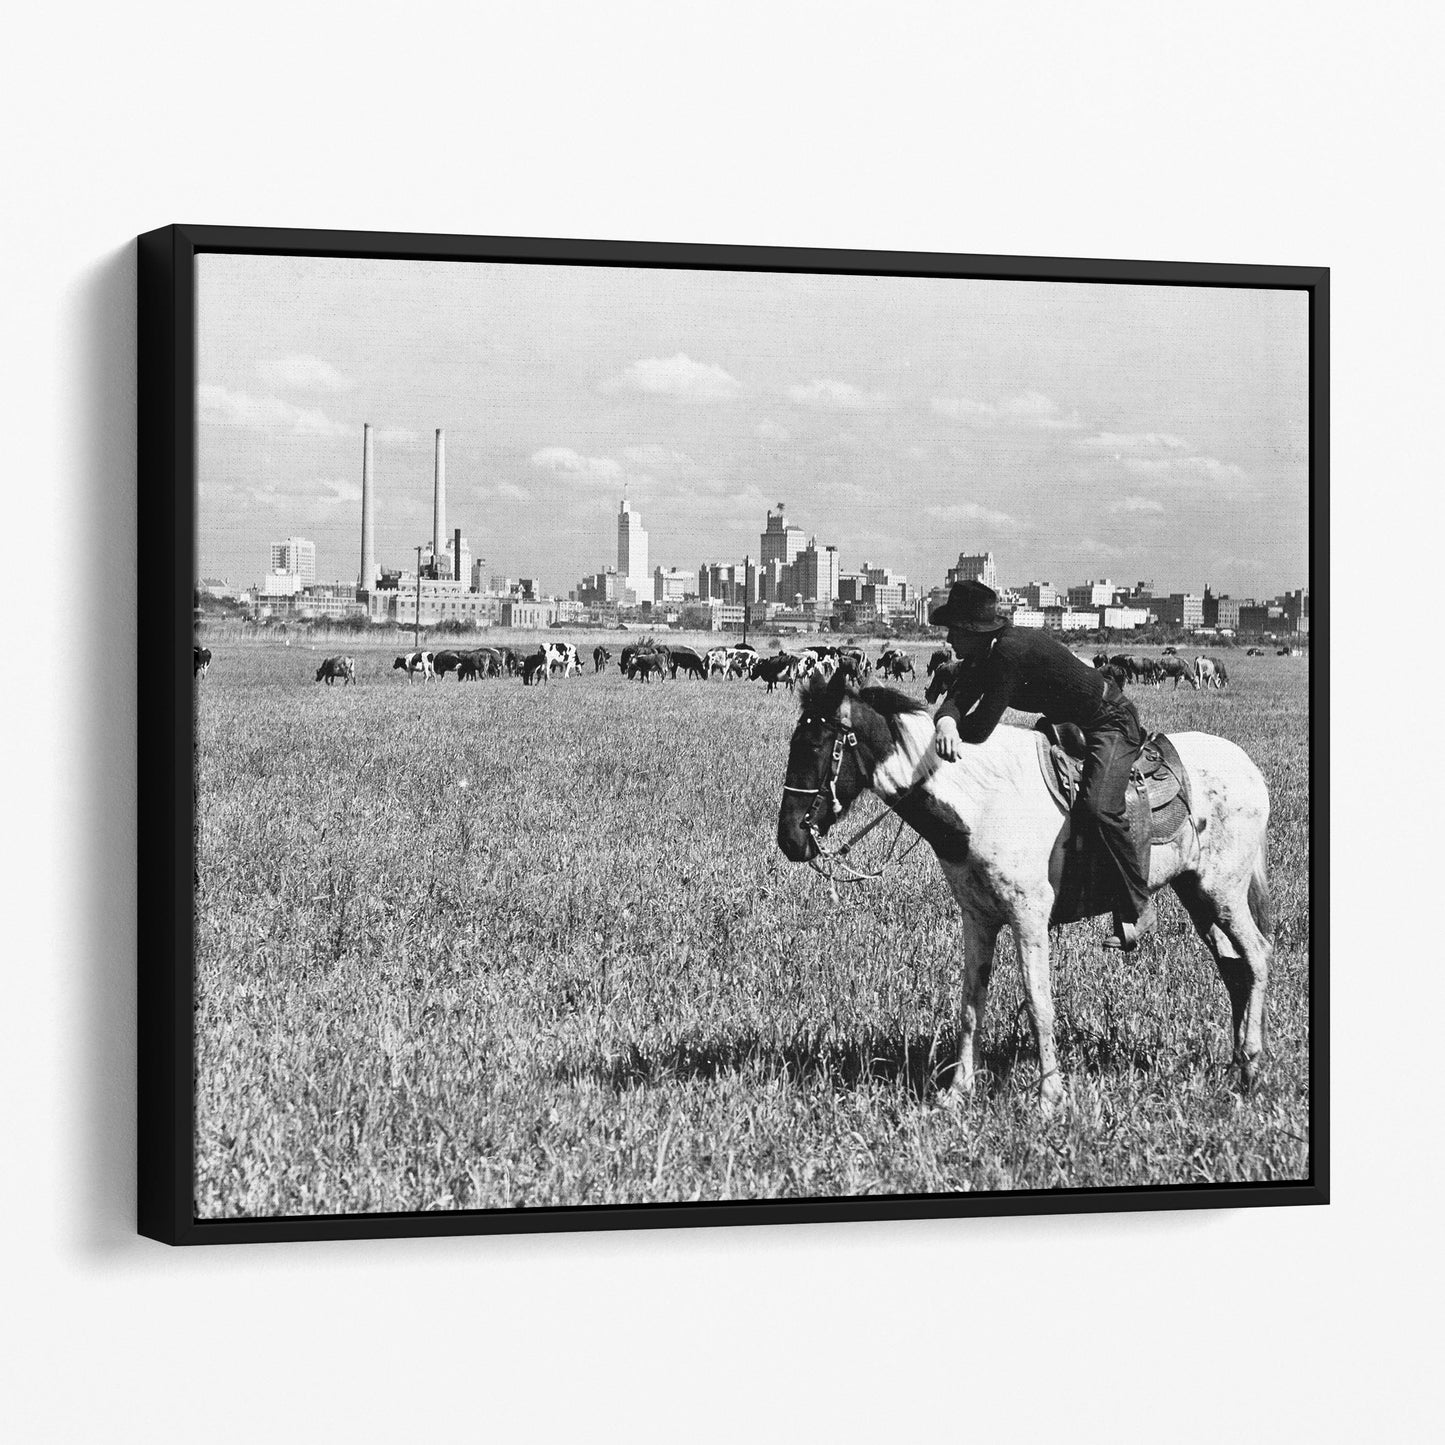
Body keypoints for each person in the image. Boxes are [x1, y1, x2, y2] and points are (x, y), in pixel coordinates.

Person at [929, 580, 1155, 950]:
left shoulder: (1008, 653)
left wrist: (953, 726)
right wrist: (946, 722)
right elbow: (957, 696)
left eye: (953, 629)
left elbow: (983, 725)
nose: (949, 638)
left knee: (1100, 807)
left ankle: (1138, 904)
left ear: (972, 630)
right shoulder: (984, 653)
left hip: (1109, 721)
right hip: (1066, 722)